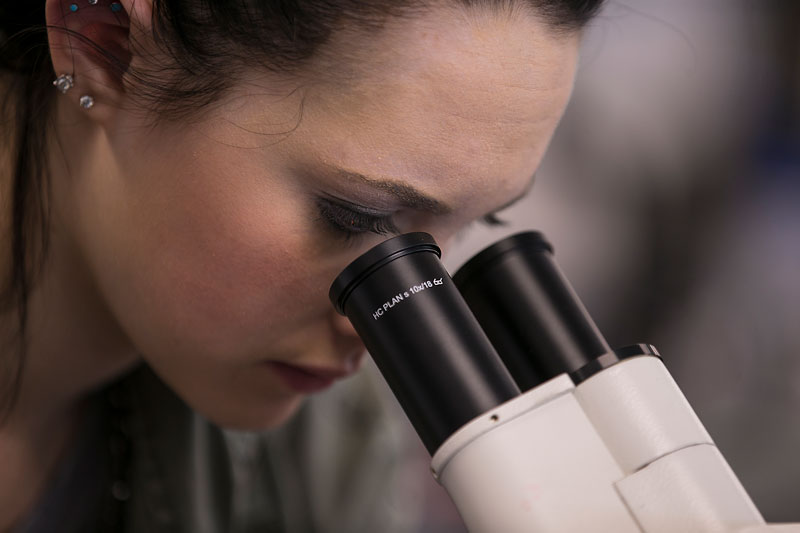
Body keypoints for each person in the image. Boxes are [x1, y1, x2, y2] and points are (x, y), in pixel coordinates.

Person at [0, 0, 604, 530]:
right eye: (355, 216)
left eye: (474, 226)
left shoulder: (329, 443)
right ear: (108, 47)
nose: (384, 326)